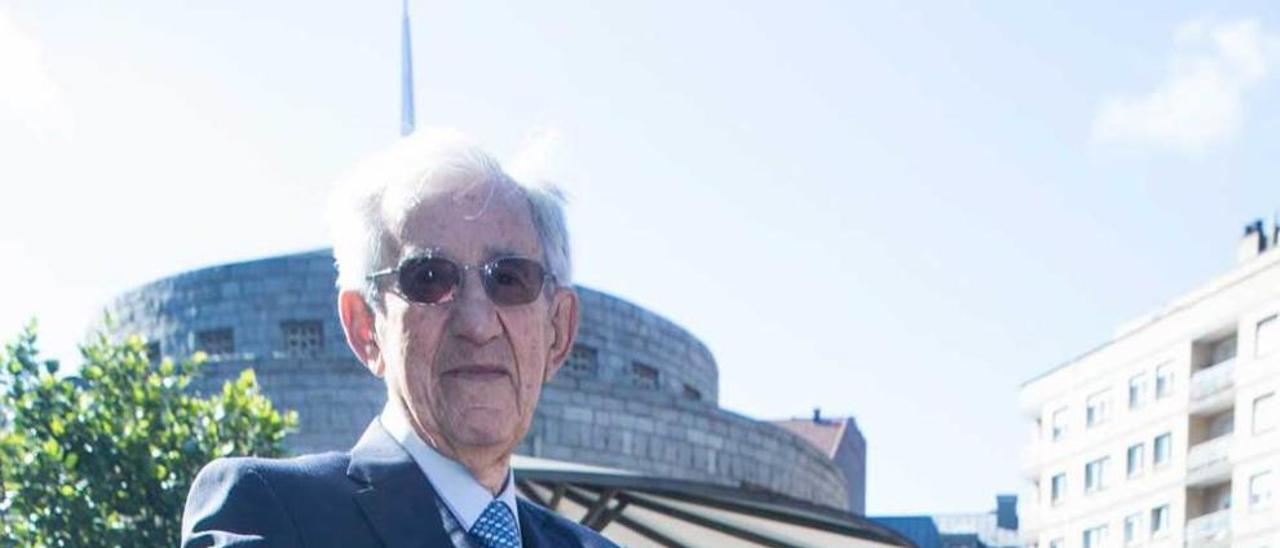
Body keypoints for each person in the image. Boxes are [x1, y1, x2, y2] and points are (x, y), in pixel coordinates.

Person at [181, 130, 617, 548]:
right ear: (365, 326)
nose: (478, 323)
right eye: (429, 279)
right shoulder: (271, 513)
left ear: (558, 330)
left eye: (508, 279)